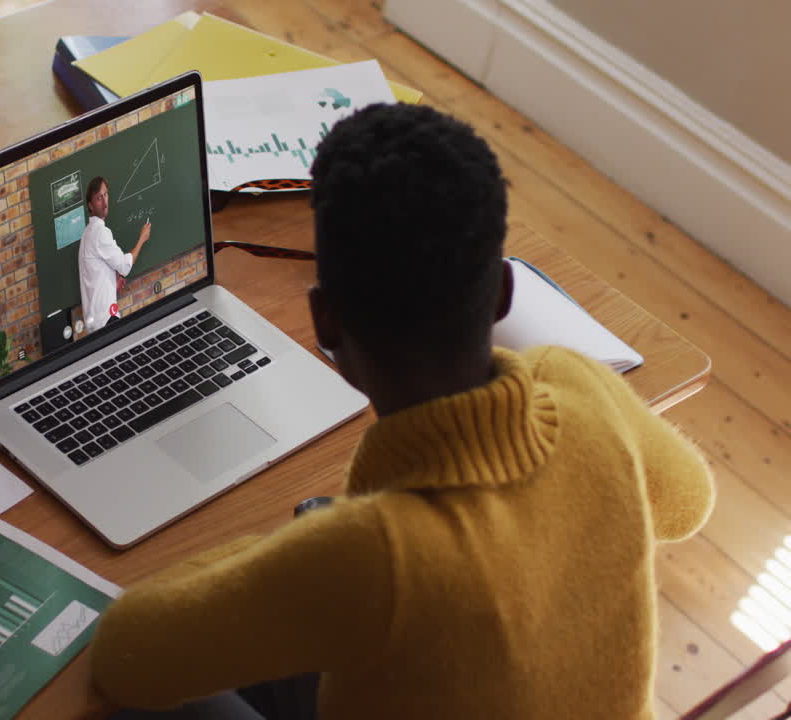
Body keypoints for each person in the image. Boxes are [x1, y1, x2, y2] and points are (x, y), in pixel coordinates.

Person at [89, 103, 715, 718]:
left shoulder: (368, 557)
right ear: (501, 291)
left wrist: (298, 551)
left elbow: (126, 654)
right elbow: (688, 503)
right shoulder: (580, 385)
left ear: (325, 320)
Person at [79, 176, 151, 332]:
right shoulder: (100, 233)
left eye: (105, 195)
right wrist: (142, 239)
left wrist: (112, 283)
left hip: (94, 322)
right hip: (106, 321)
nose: (105, 202)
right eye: (99, 198)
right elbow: (125, 267)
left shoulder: (86, 234)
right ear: (91, 206)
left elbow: (95, 275)